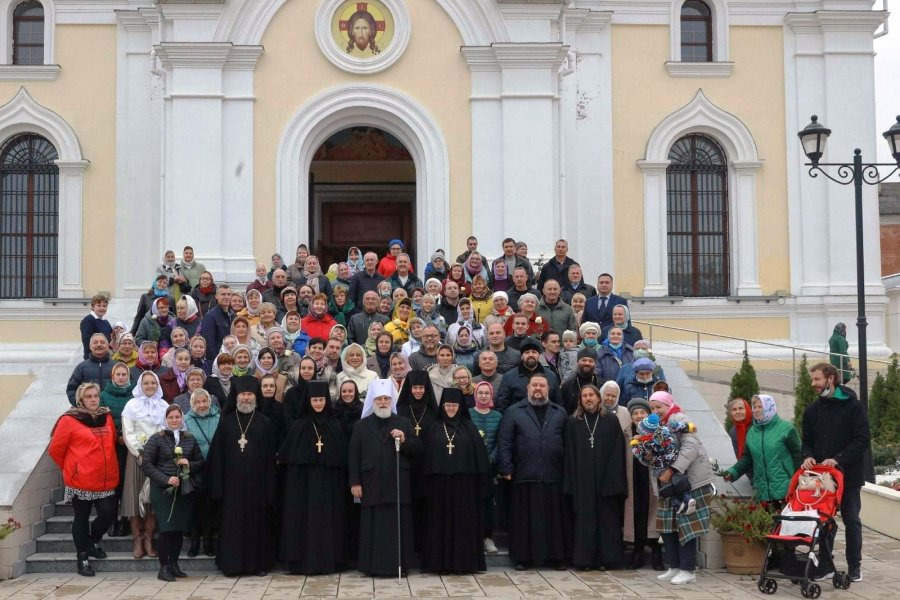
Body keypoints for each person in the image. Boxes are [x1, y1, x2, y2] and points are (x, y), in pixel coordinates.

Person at [801, 363, 870, 582]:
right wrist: (807, 457)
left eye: (817, 379)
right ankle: (826, 565)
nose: (813, 384)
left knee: (851, 519)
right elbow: (806, 443)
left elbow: (862, 440)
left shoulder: (853, 406)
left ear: (831, 379)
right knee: (823, 521)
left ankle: (854, 567)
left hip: (848, 475)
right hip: (822, 478)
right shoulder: (812, 410)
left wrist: (838, 459)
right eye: (812, 380)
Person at [348, 379, 423, 577]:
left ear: (392, 401)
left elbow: (418, 449)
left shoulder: (403, 422)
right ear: (373, 401)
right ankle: (372, 566)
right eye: (379, 399)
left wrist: (405, 440)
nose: (383, 402)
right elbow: (354, 455)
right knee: (373, 526)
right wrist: (355, 482)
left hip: (397, 482)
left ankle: (400, 565)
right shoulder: (361, 425)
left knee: (398, 526)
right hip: (371, 482)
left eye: (386, 399)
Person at [206, 376, 278, 577]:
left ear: (255, 397)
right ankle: (232, 565)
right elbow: (217, 458)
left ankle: (258, 565)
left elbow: (271, 460)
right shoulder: (226, 423)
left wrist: (270, 487)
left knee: (257, 526)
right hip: (232, 488)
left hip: (258, 487)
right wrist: (218, 488)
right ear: (236, 397)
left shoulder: (264, 423)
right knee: (233, 527)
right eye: (243, 394)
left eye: (250, 394)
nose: (246, 398)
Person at [497, 372, 568, 570]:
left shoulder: (559, 412)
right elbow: (505, 442)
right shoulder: (513, 411)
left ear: (548, 390)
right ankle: (523, 558)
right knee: (524, 521)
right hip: (523, 474)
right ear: (527, 388)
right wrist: (506, 467)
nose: (538, 389)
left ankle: (556, 558)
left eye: (542, 386)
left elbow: (568, 444)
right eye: (534, 385)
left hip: (553, 474)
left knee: (554, 521)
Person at [278, 380, 349, 574]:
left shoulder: (335, 425)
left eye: (321, 400)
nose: (318, 403)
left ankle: (330, 561)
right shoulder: (298, 426)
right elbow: (290, 462)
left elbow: (341, 461)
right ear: (308, 401)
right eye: (315, 400)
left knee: (328, 523)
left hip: (329, 489)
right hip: (303, 489)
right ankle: (300, 562)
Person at [49, 383, 120, 577]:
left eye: (95, 395)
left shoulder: (105, 416)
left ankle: (93, 540)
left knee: (108, 513)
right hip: (81, 480)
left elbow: (112, 441)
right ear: (81, 399)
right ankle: (82, 557)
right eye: (88, 396)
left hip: (106, 479)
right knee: (81, 518)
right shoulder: (69, 420)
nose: (93, 399)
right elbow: (56, 450)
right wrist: (72, 469)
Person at [420, 387, 490, 574]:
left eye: (454, 405)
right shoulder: (433, 427)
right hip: (438, 487)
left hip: (464, 487)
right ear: (442, 406)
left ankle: (464, 564)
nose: (451, 408)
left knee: (463, 525)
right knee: (438, 524)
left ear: (460, 407)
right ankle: (438, 564)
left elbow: (480, 460)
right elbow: (425, 459)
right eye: (447, 405)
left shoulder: (469, 427)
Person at [650, 391, 715, 586]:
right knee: (668, 526)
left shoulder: (680, 419)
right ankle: (675, 567)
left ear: (668, 405)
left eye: (658, 407)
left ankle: (688, 570)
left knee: (687, 525)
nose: (655, 411)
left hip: (689, 482)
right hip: (669, 485)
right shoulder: (657, 426)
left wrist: (671, 470)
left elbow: (691, 446)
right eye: (652, 408)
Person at [564, 384, 627, 570]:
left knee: (607, 523)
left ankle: (608, 560)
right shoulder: (573, 422)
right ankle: (585, 560)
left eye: (591, 395)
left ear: (598, 398)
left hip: (607, 481)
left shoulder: (610, 420)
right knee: (585, 522)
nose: (588, 399)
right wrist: (570, 483)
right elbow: (569, 454)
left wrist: (614, 483)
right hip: (582, 482)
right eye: (584, 396)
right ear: (580, 400)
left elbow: (618, 453)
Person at [141, 404, 204, 581]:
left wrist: (189, 464)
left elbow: (200, 461)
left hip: (183, 489)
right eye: (171, 417)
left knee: (178, 529)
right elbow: (147, 464)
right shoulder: (157, 438)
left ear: (182, 419)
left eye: (177, 417)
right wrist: (165, 479)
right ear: (165, 419)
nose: (174, 420)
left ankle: (174, 564)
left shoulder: (189, 438)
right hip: (163, 490)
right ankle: (164, 567)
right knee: (167, 528)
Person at [121, 371, 168, 560]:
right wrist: (139, 451)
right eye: (146, 383)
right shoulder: (131, 405)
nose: (150, 386)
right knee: (135, 498)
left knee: (152, 501)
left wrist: (156, 452)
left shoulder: (163, 405)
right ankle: (137, 540)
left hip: (157, 458)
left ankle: (149, 539)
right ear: (140, 385)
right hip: (137, 457)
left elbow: (164, 430)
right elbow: (128, 431)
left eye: (153, 383)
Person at [723, 394, 801, 503]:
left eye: (760, 407)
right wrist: (732, 472)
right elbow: (747, 459)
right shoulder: (751, 433)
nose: (756, 410)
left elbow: (798, 456)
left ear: (770, 407)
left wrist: (798, 482)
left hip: (786, 490)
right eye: (754, 407)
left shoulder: (787, 428)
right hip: (762, 493)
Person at [624, 397, 663, 570]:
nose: (639, 416)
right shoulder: (626, 433)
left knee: (655, 516)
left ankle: (656, 554)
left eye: (642, 412)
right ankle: (637, 553)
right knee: (637, 516)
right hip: (634, 480)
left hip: (653, 481)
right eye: (635, 413)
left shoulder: (658, 432)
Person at [182, 389, 220, 557]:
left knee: (211, 507)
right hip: (194, 469)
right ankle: (194, 542)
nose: (202, 405)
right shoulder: (186, 420)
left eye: (204, 401)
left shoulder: (218, 418)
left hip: (214, 469)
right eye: (198, 402)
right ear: (192, 403)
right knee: (194, 508)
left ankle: (208, 540)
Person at [100, 362, 135, 537]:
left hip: (130, 447)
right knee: (114, 485)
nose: (121, 377)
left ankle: (126, 520)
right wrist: (117, 436)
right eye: (118, 374)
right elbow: (102, 420)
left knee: (127, 484)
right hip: (111, 447)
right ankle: (112, 521)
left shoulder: (135, 395)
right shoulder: (103, 396)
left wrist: (127, 437)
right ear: (112, 377)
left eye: (124, 374)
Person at [470, 381, 502, 554]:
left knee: (489, 505)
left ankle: (488, 538)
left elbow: (501, 441)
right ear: (475, 395)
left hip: (490, 468)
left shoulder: (498, 416)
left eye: (486, 393)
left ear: (491, 395)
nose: (483, 395)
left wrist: (491, 458)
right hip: (473, 467)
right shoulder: (468, 414)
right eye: (480, 392)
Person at [494, 337, 562, 412]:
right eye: (527, 352)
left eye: (534, 352)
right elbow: (501, 406)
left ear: (539, 355)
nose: (530, 355)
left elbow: (558, 405)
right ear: (521, 356)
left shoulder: (551, 376)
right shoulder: (509, 377)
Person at [67, 333, 114, 405]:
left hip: (112, 412)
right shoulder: (81, 367)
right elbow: (71, 389)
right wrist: (80, 405)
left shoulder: (116, 366)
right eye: (95, 342)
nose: (99, 345)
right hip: (88, 413)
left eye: (102, 342)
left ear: (107, 346)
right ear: (90, 346)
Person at [201, 285, 234, 361]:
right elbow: (209, 343)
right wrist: (216, 361)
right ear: (216, 296)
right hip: (219, 360)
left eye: (229, 294)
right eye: (223, 294)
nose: (226, 297)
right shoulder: (210, 316)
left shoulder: (233, 315)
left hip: (232, 358)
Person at [80, 293, 112, 359]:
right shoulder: (88, 320)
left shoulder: (106, 322)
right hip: (92, 358)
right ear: (92, 307)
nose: (102, 308)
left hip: (105, 357)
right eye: (99, 305)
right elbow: (87, 341)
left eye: (104, 306)